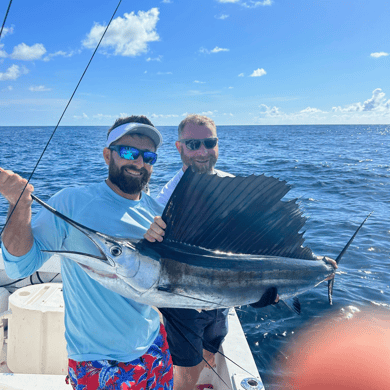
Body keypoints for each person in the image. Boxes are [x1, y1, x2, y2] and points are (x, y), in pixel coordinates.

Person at [0, 116, 173, 390]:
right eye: (128, 152)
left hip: (155, 345)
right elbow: (20, 267)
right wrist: (19, 204)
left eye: (148, 156)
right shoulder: (71, 202)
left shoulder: (158, 213)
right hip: (98, 362)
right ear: (107, 155)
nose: (139, 163)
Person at [144, 114, 233, 390]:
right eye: (193, 144)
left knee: (212, 348)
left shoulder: (231, 187)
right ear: (179, 147)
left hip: (223, 295)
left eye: (209, 142)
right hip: (183, 303)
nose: (202, 151)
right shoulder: (164, 201)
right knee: (187, 369)